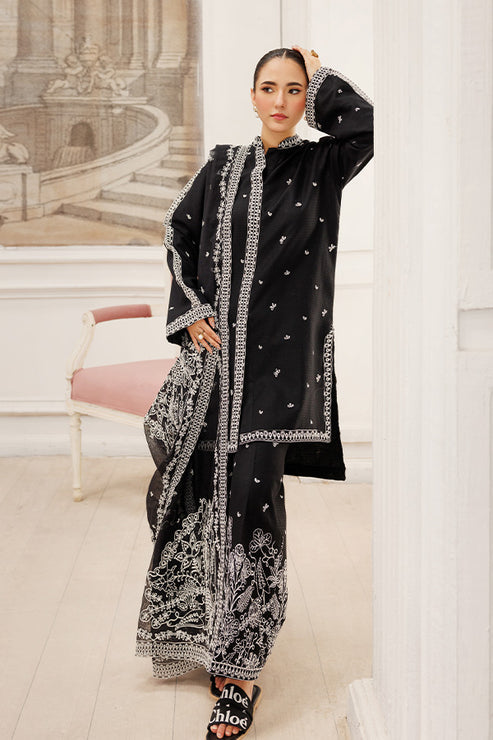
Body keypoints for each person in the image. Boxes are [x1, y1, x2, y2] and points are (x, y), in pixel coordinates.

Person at [136, 45, 374, 738]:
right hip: (210, 368)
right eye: (269, 88)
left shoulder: (322, 166)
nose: (280, 101)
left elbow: (367, 126)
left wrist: (321, 73)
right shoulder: (222, 166)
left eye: (294, 90)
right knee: (193, 494)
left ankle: (238, 673)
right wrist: (191, 310)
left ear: (307, 100)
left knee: (251, 504)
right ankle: (196, 630)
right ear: (251, 95)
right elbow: (177, 233)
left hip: (275, 374)